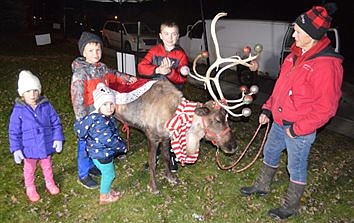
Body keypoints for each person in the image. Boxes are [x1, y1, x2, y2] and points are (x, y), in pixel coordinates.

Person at [240, 6, 343, 220]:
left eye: (297, 31)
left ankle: (290, 206)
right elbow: (280, 88)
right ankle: (262, 186)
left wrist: (297, 130)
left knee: (295, 167)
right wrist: (268, 109)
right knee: (270, 153)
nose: (293, 35)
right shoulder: (293, 56)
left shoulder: (327, 65)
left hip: (299, 129)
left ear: (312, 36)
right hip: (278, 122)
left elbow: (327, 108)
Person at [71, 31, 137, 189]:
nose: (96, 53)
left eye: (98, 49)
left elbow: (113, 75)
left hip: (103, 113)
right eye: (91, 50)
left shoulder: (102, 68)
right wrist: (82, 120)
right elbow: (77, 98)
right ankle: (83, 173)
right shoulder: (81, 73)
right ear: (83, 52)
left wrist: (127, 78)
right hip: (88, 117)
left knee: (98, 143)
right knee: (85, 146)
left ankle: (94, 165)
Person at [138, 20, 189, 172]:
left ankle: (172, 155)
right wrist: (158, 70)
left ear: (178, 36)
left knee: (172, 127)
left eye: (173, 34)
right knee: (153, 126)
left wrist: (171, 73)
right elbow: (141, 67)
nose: (170, 37)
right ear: (161, 35)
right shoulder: (154, 51)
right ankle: (155, 155)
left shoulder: (180, 55)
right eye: (166, 34)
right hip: (154, 96)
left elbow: (182, 78)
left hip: (171, 97)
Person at [8, 70, 65, 202]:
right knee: (29, 169)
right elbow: (13, 131)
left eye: (35, 90)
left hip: (45, 143)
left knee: (47, 165)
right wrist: (16, 148)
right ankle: (30, 187)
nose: (32, 95)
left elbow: (56, 122)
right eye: (28, 91)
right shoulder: (18, 110)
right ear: (22, 94)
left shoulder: (46, 106)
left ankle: (50, 183)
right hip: (28, 148)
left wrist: (57, 138)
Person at [74, 83, 126, 204]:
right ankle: (104, 196)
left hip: (99, 152)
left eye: (111, 104)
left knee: (107, 172)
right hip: (102, 153)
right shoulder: (101, 122)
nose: (109, 107)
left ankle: (106, 189)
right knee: (109, 175)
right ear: (98, 106)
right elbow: (109, 140)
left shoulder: (100, 117)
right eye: (105, 104)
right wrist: (122, 146)